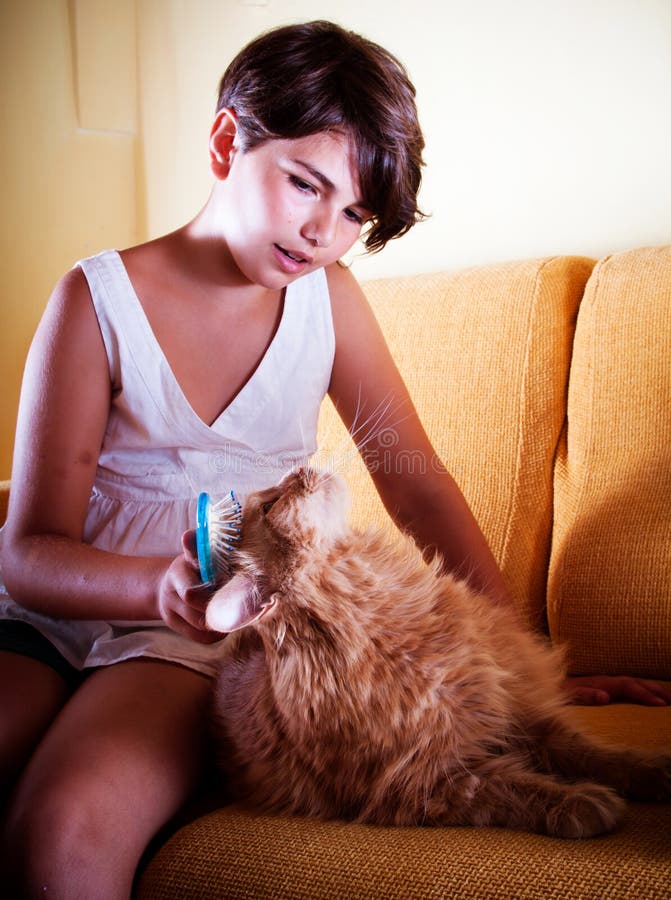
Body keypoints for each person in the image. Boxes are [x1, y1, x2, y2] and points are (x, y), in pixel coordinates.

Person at [0, 19, 668, 899]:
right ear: (226, 140)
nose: (322, 231)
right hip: (53, 615)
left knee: (62, 833)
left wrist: (524, 671)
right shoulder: (97, 300)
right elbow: (30, 552)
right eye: (304, 184)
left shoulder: (330, 305)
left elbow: (416, 486)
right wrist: (150, 582)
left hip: (201, 634)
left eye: (353, 212)